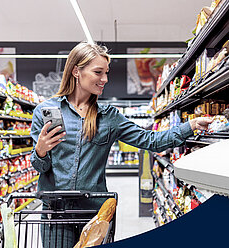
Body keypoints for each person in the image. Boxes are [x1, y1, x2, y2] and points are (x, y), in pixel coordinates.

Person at [30, 42, 212, 248]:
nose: (105, 79)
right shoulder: (46, 111)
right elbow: (40, 168)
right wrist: (41, 151)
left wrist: (191, 125)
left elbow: (151, 140)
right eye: (98, 72)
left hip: (94, 213)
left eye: (106, 73)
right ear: (76, 71)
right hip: (56, 212)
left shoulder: (109, 117)